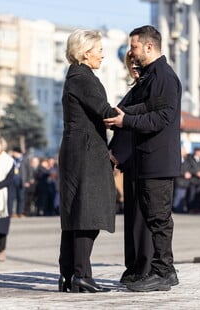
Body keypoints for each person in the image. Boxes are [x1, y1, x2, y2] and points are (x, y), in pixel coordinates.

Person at [104, 25, 181, 292]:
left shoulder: (164, 77)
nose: (131, 52)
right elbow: (144, 107)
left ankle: (163, 272)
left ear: (149, 47)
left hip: (158, 162)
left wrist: (125, 120)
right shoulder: (151, 76)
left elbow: (162, 117)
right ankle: (155, 269)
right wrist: (118, 116)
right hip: (147, 160)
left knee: (159, 219)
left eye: (134, 47)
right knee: (151, 217)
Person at [58, 29, 120, 293]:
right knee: (87, 214)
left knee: (75, 214)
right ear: (86, 53)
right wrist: (132, 117)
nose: (103, 55)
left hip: (77, 150)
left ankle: (68, 275)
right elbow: (104, 111)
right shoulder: (84, 78)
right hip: (86, 152)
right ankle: (82, 275)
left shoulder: (74, 77)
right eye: (99, 50)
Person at [109, 54, 153, 285]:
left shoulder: (147, 89)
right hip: (130, 162)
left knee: (142, 217)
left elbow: (132, 124)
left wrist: (115, 154)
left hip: (140, 157)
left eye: (138, 65)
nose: (134, 68)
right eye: (131, 65)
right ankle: (134, 266)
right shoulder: (135, 89)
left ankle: (143, 267)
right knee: (132, 217)